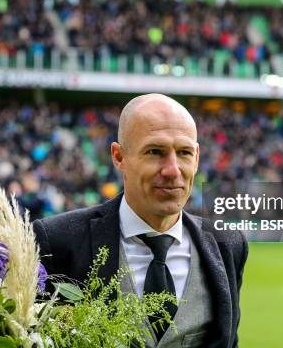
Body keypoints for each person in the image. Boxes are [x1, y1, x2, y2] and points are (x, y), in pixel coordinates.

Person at [33, 93, 248, 348]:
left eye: (184, 153)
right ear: (119, 156)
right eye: (155, 151)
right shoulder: (56, 241)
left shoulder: (229, 245)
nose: (172, 170)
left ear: (197, 157)